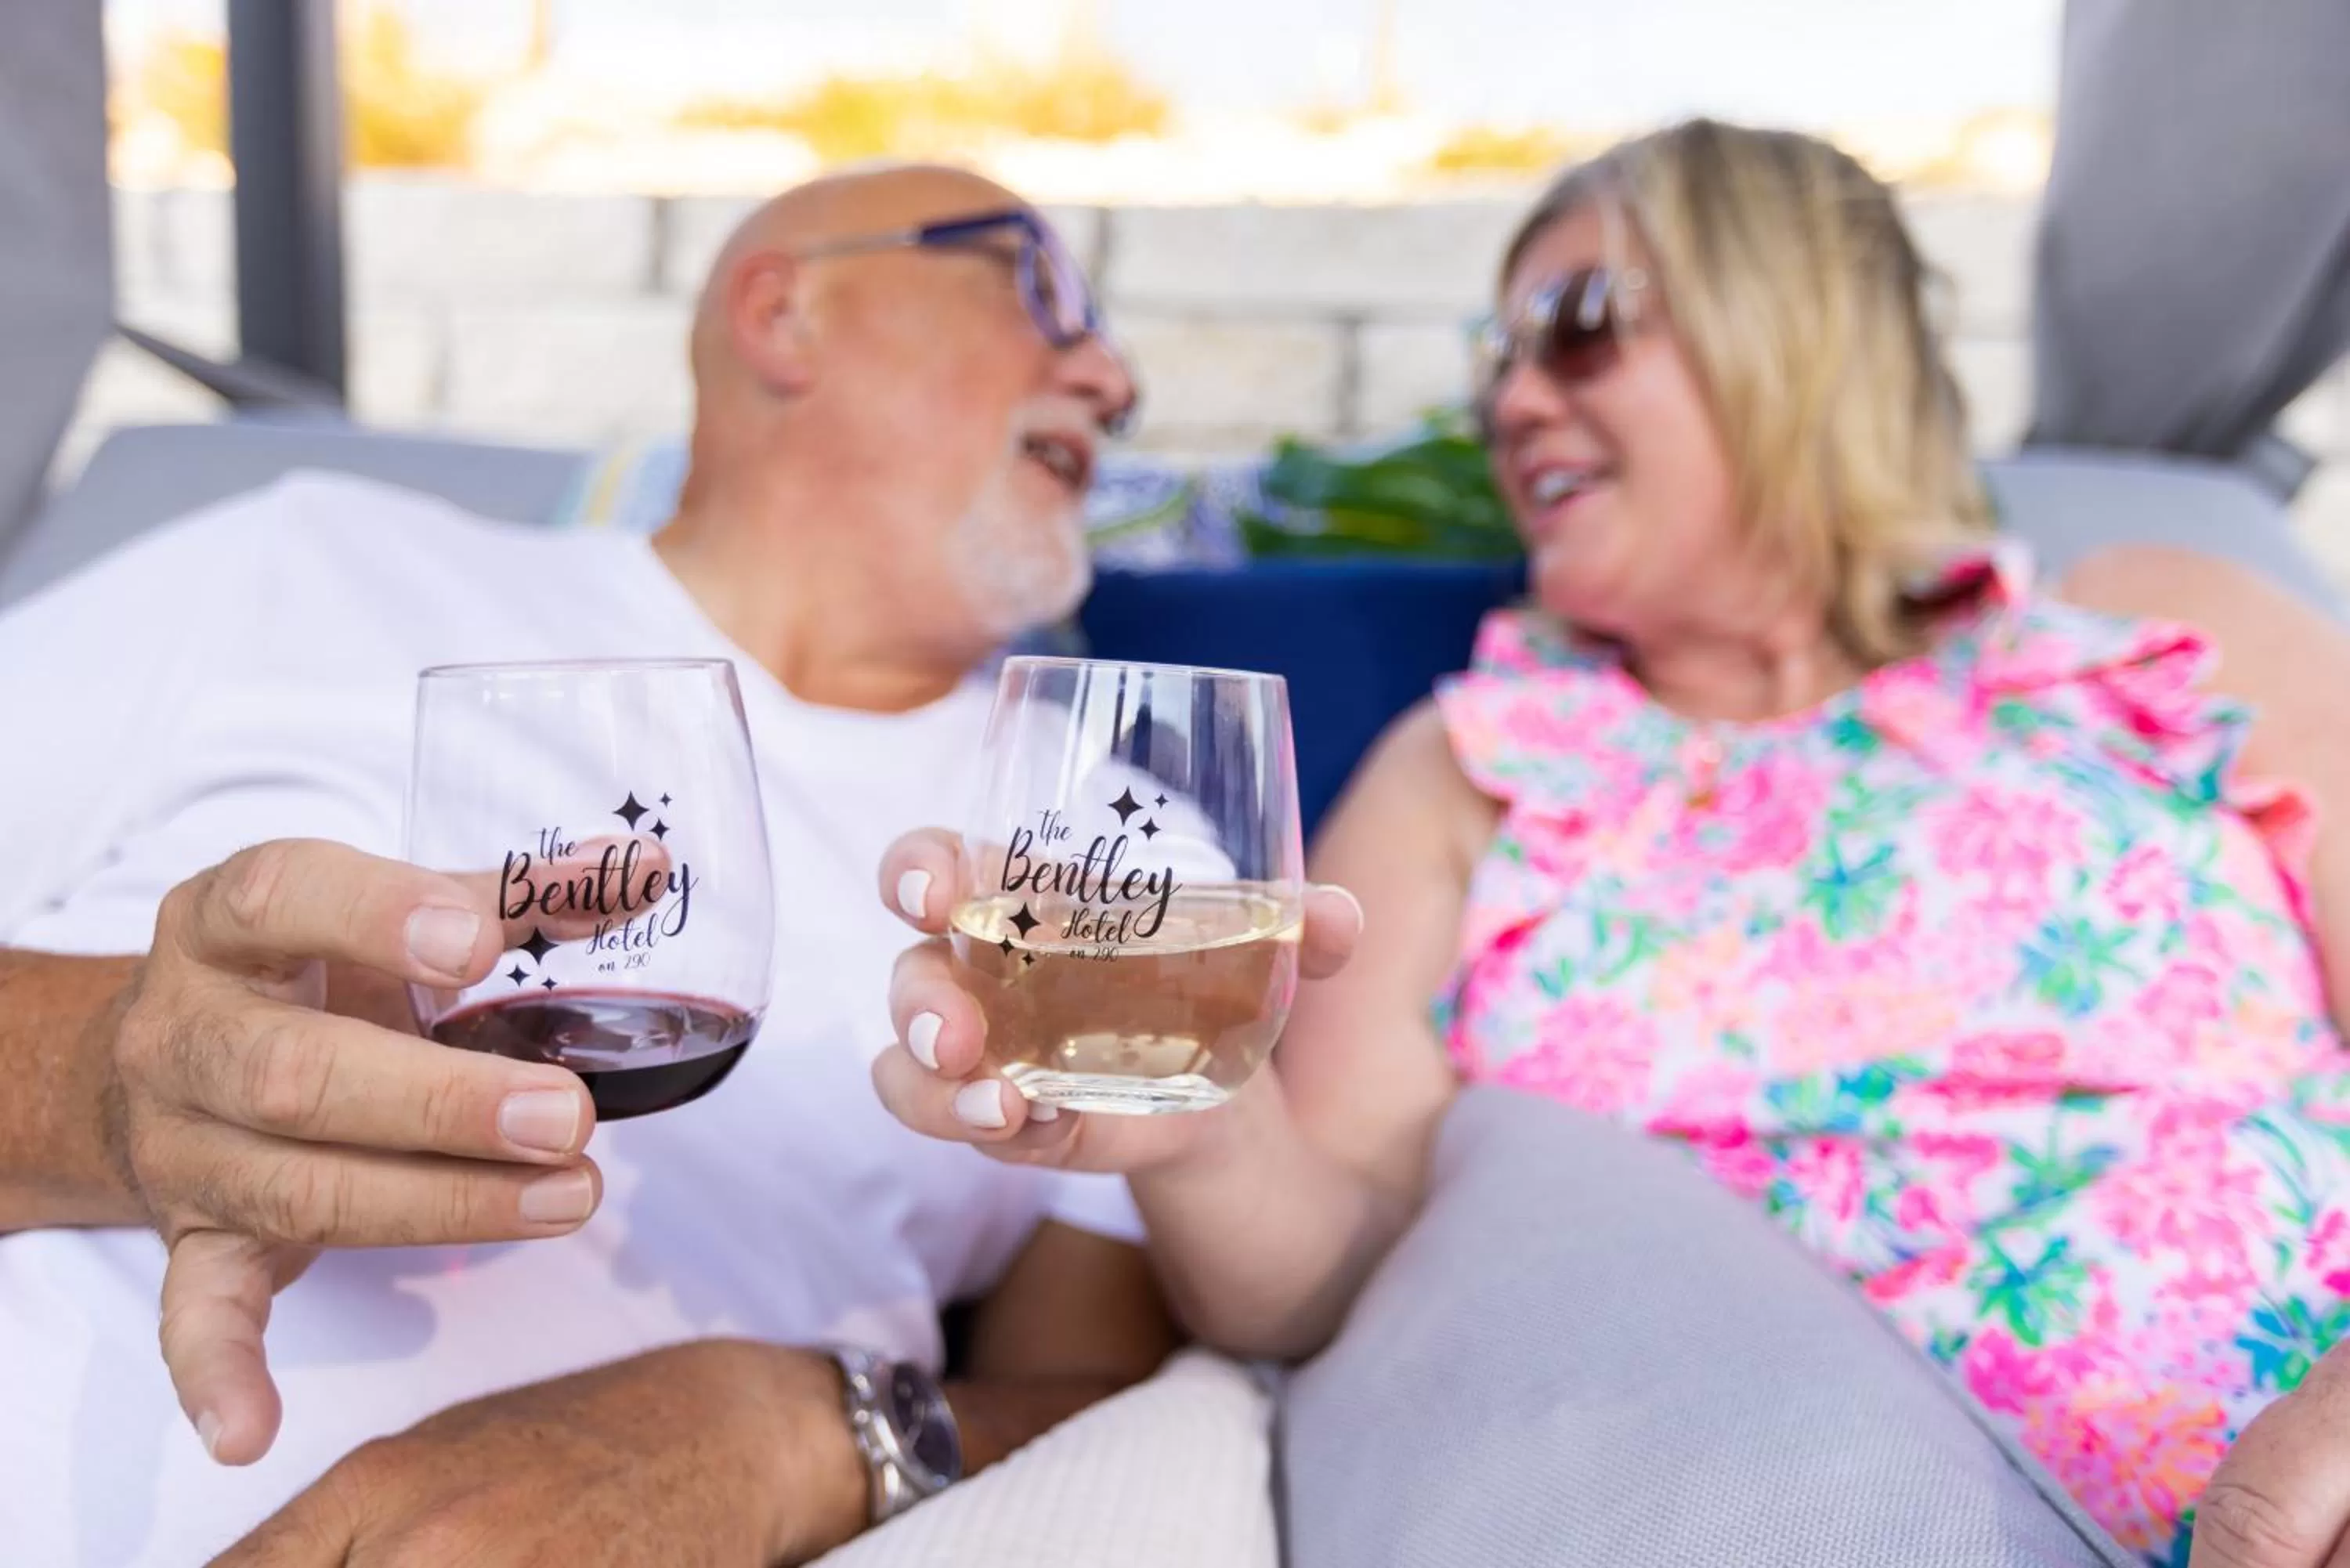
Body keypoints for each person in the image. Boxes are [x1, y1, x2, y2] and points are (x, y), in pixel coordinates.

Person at [870, 121, 2350, 1566]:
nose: (1510, 401)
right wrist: (1192, 1132)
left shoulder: (2163, 628)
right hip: (1798, 1491)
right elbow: (1319, 1279)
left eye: (1574, 327)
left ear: (1802, 324)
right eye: (1495, 359)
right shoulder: (1471, 770)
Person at [0, 165, 1200, 1566]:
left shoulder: (1125, 844)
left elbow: (1102, 1396)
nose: (1113, 378)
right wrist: (101, 1082)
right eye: (1040, 289)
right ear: (783, 311)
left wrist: (797, 1434)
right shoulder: (305, 560)